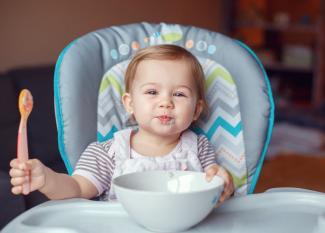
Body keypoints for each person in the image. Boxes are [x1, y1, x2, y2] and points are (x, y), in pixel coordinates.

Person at [9, 44, 234, 203]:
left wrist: (223, 184)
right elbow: (76, 189)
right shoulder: (107, 153)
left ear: (196, 110)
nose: (166, 102)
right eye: (152, 91)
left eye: (179, 94)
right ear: (130, 103)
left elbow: (215, 196)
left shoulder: (199, 148)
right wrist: (46, 179)